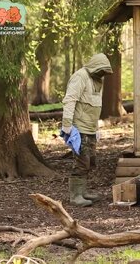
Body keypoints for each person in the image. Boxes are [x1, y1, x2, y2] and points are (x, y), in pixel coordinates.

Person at [61, 53, 112, 207]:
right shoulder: (80, 77)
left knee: (90, 161)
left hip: (90, 128)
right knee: (81, 162)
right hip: (79, 128)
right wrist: (67, 124)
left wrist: (96, 128)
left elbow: (95, 106)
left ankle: (83, 192)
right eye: (101, 70)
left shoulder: (98, 80)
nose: (102, 74)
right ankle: (75, 196)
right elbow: (70, 100)